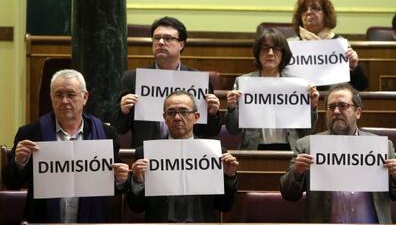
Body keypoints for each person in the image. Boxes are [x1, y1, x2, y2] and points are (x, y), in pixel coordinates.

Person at [2, 69, 129, 223]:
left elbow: (114, 186)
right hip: (43, 220)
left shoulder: (106, 134)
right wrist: (19, 162)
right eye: (58, 95)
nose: (64, 101)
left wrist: (120, 179)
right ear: (51, 98)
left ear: (85, 97)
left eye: (71, 95)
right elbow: (11, 182)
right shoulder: (30, 133)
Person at [280, 83, 396, 223]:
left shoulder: (382, 147)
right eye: (331, 107)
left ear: (358, 112)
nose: (336, 111)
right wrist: (297, 172)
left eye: (343, 106)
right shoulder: (307, 146)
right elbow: (289, 194)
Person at [127, 90, 238, 222]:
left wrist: (229, 176)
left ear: (196, 117)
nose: (177, 117)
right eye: (171, 112)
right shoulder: (145, 154)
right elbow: (136, 207)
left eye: (184, 112)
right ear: (164, 117)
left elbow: (225, 205)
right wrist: (138, 182)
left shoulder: (216, 154)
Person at [112, 16, 221, 149]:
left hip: (189, 156)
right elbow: (119, 129)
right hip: (147, 156)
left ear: (181, 44)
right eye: (157, 38)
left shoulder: (198, 80)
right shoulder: (132, 79)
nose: (161, 42)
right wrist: (123, 111)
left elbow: (210, 132)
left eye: (168, 38)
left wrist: (212, 113)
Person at [225, 28, 319, 151]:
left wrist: (312, 107)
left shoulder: (297, 85)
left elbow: (307, 131)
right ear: (258, 53)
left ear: (283, 53)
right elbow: (233, 130)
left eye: (276, 49)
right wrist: (232, 108)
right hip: (254, 149)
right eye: (265, 48)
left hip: (290, 150)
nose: (270, 53)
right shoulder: (243, 83)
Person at [292, 0, 368, 91]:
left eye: (315, 8)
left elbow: (361, 86)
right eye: (304, 9)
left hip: (333, 103)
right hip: (300, 101)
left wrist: (354, 67)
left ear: (326, 14)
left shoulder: (339, 44)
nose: (309, 12)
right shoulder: (291, 45)